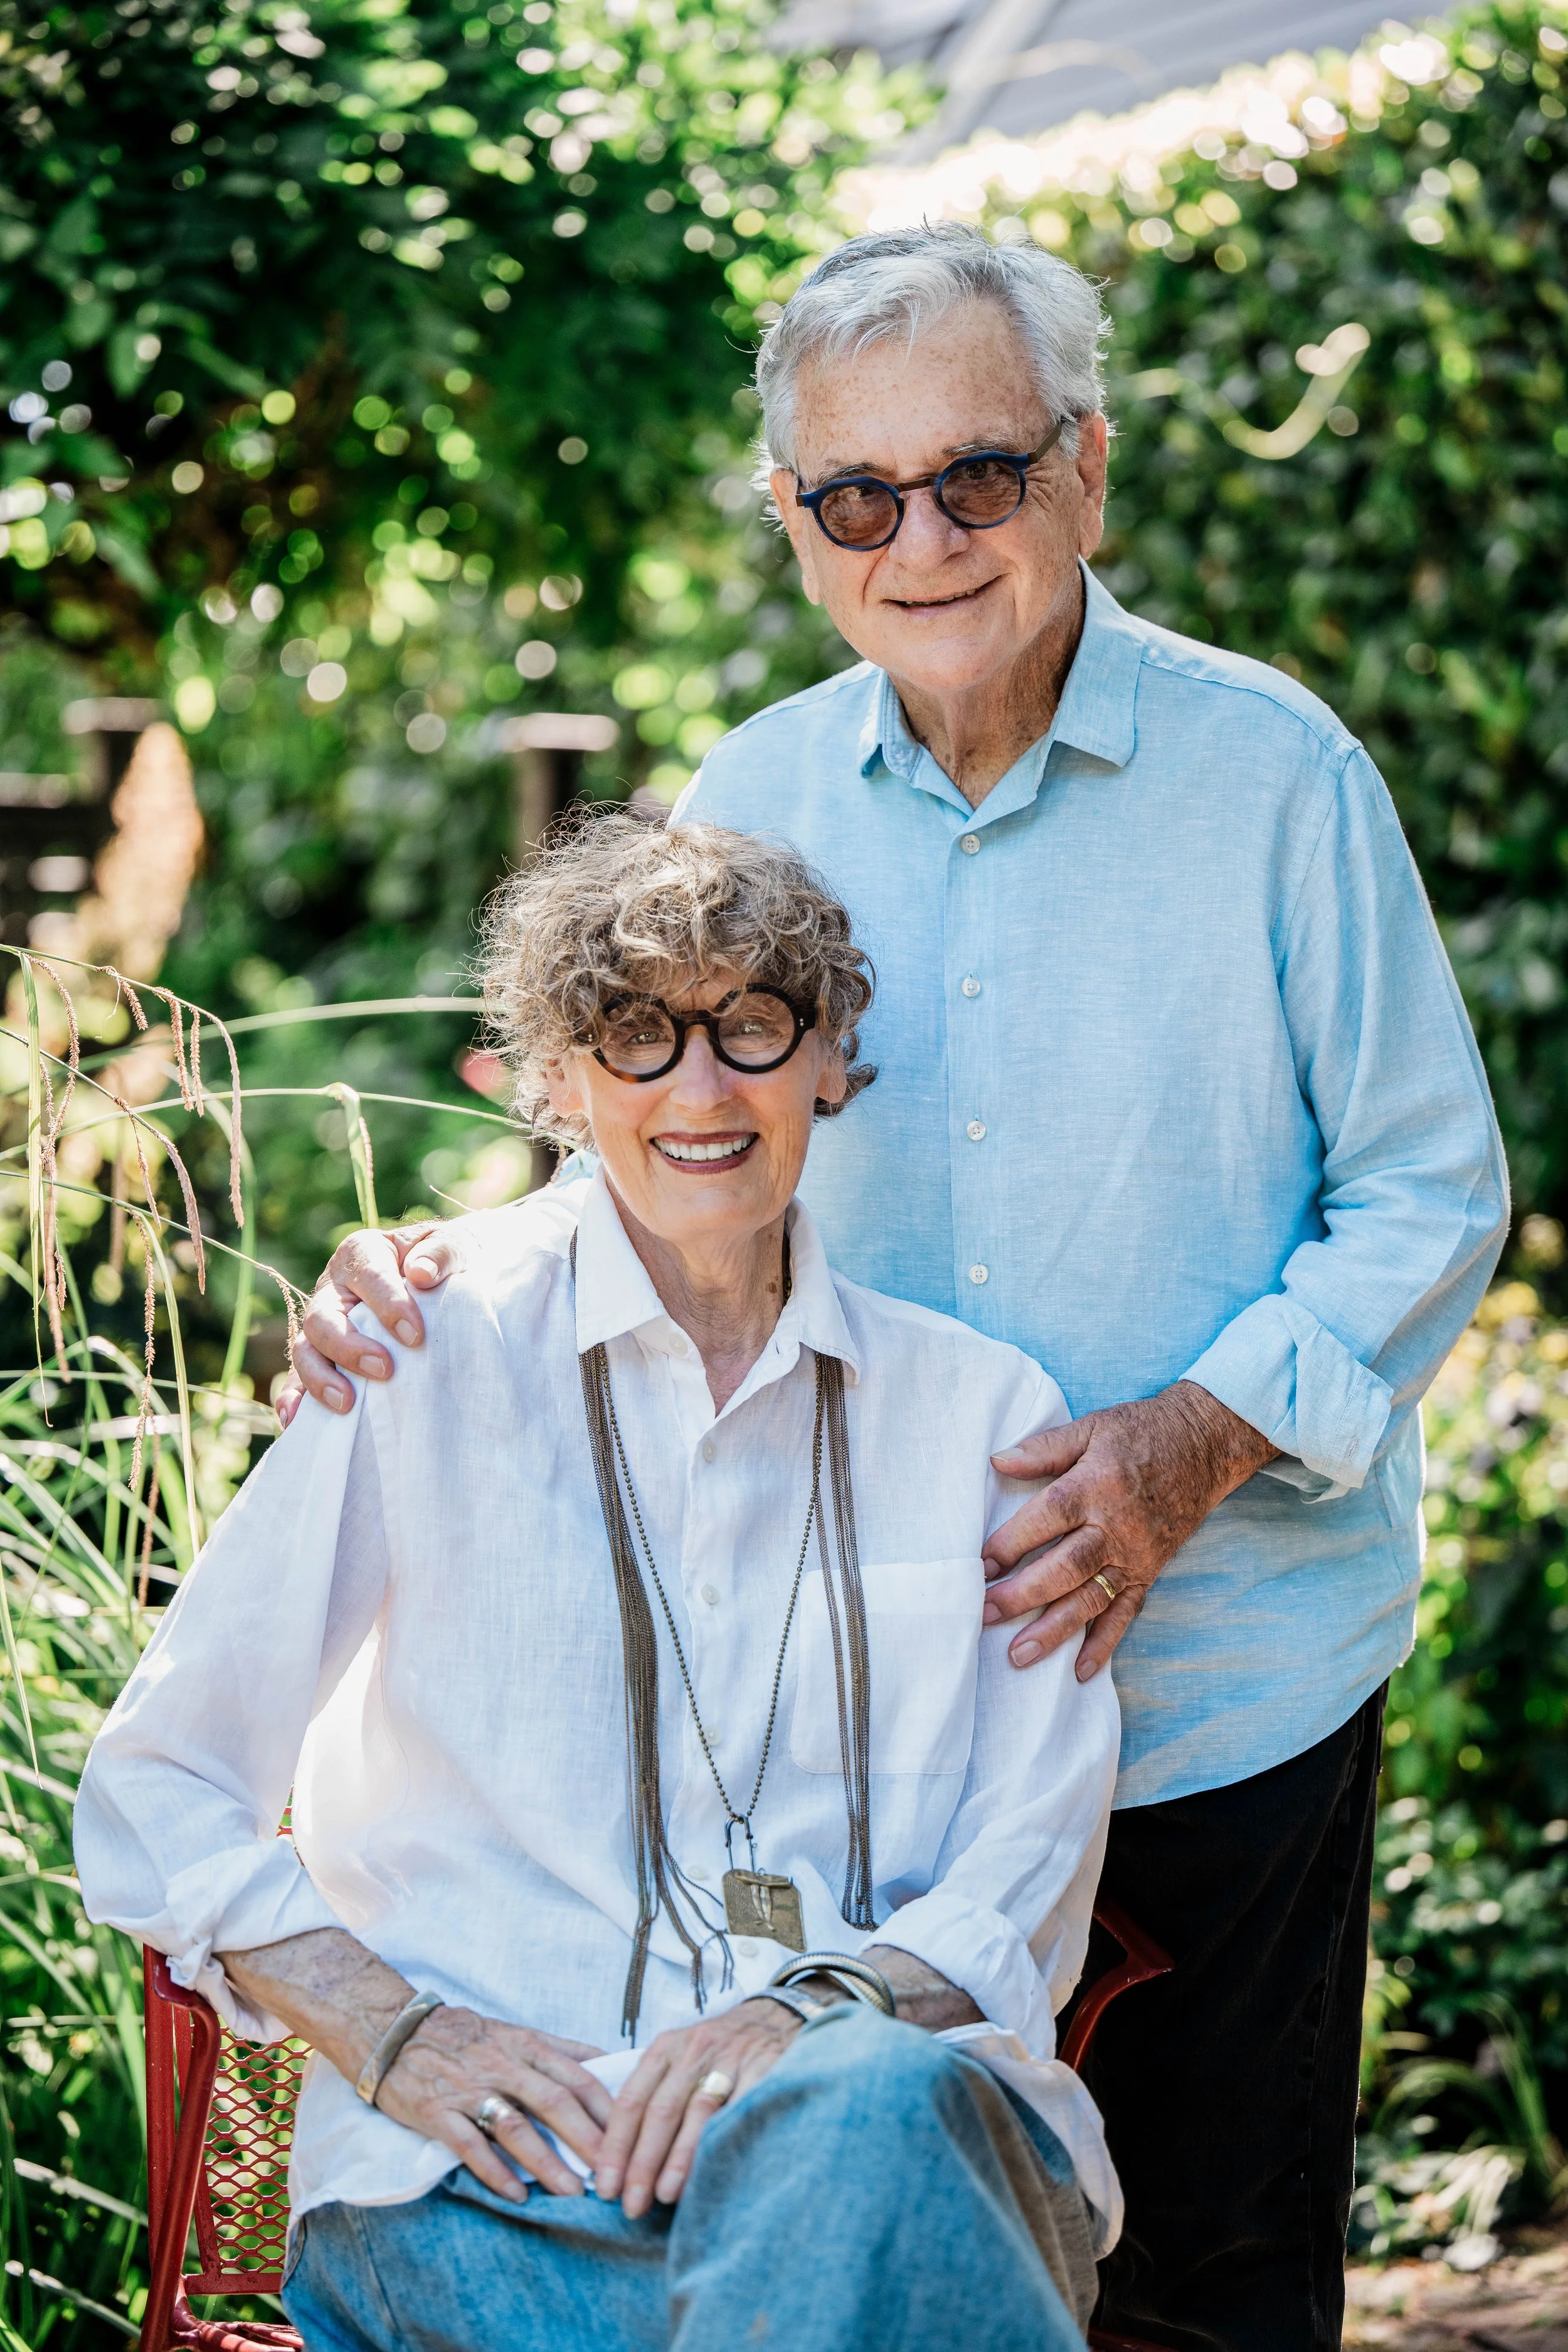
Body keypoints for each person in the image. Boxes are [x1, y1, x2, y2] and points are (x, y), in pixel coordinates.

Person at [281, 225, 1510, 2349]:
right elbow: (681, 1146)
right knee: (861, 2233)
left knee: (1211, 2281)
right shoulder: (756, 792)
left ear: (1085, 473)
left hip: (1229, 1675)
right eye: (856, 498)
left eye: (979, 477)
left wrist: (1188, 1448)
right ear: (795, 523)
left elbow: (1430, 1192)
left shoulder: (1280, 778)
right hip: (863, 1732)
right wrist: (424, 1268)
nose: (920, 537)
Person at [76, 819, 1123, 2352]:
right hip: (495, 2177)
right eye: (636, 1036)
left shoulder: (984, 1417)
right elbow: (160, 1791)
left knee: (866, 2129)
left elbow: (1026, 1864)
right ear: (561, 1084)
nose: (700, 1090)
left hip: (892, 2133)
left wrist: (797, 2022)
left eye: (750, 1026)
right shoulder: (418, 1352)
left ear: (825, 1059)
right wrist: (400, 2037)